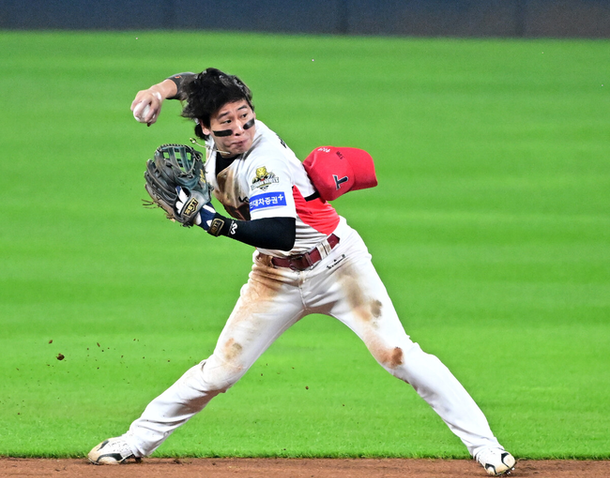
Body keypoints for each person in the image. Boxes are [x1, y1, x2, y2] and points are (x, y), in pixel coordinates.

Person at [88, 68, 515, 476]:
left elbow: (280, 233)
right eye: (227, 124)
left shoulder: (264, 159)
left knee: (398, 354)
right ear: (204, 128)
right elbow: (196, 84)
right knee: (222, 370)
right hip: (274, 278)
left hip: (338, 266)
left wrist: (211, 221)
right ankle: (135, 440)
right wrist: (158, 92)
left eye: (245, 117)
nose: (240, 129)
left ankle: (485, 446)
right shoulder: (218, 135)